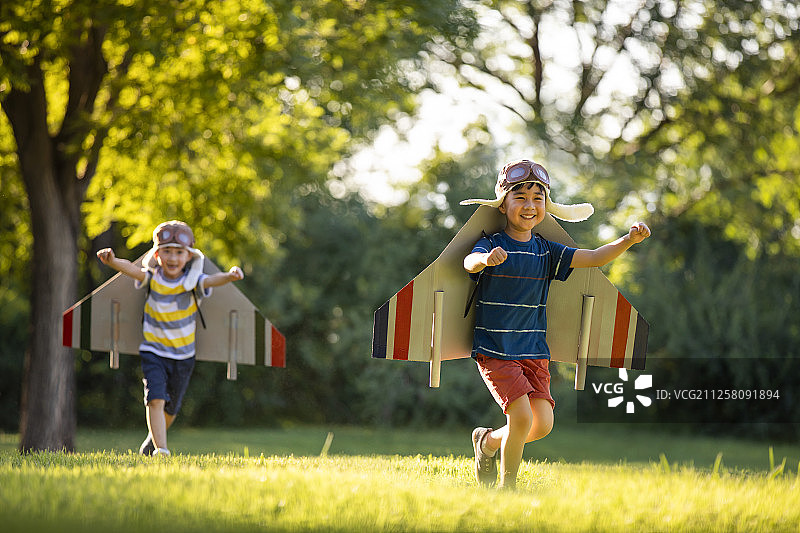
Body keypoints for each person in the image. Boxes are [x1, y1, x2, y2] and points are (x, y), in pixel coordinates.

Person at [461, 159, 651, 489]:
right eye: (520, 197)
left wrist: (627, 241)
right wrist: (484, 260)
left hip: (534, 349)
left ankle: (488, 442)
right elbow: (469, 262)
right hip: (497, 349)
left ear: (546, 206)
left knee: (542, 424)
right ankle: (508, 488)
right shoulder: (492, 242)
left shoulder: (546, 251)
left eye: (538, 198)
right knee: (520, 418)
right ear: (503, 204)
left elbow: (592, 257)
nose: (530, 205)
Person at [97, 220, 244, 456]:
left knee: (172, 407)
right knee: (155, 399)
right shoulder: (153, 278)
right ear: (157, 254)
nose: (173, 258)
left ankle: (152, 442)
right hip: (154, 351)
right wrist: (112, 261)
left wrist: (229, 276)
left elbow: (210, 281)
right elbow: (131, 270)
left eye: (179, 252)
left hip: (183, 355)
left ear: (188, 257)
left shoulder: (192, 282)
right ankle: (161, 450)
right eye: (167, 251)